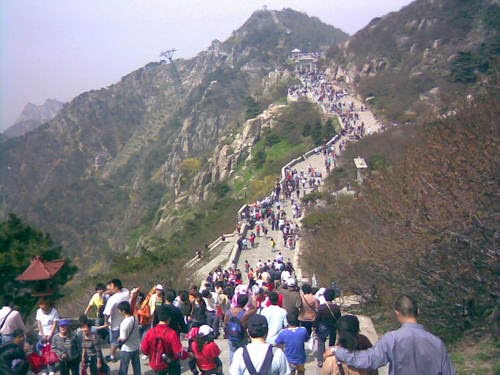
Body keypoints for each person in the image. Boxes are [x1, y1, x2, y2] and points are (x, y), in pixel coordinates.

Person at [332, 295, 456, 375]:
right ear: (418, 312)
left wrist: (338, 351)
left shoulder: (392, 339)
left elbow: (368, 360)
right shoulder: (437, 343)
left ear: (397, 313)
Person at [141, 304, 192, 375]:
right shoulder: (172, 333)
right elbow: (179, 353)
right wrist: (189, 354)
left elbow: (144, 350)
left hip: (157, 363)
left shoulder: (151, 332)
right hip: (171, 363)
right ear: (169, 318)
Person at [100, 278, 129, 362]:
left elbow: (106, 313)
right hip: (124, 321)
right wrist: (108, 292)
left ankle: (112, 356)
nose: (109, 289)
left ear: (116, 287)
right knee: (124, 337)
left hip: (115, 324)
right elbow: (122, 289)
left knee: (114, 341)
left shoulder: (112, 299)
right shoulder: (126, 292)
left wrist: (106, 322)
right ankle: (124, 351)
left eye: (111, 287)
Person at [316, 288, 341, 368]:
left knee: (321, 342)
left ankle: (320, 360)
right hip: (333, 327)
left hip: (323, 326)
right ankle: (330, 358)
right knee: (332, 344)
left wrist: (315, 327)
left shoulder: (321, 307)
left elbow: (317, 319)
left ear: (324, 297)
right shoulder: (336, 307)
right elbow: (339, 318)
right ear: (333, 297)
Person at [117, 301, 141, 375]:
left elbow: (123, 338)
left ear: (123, 311)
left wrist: (118, 340)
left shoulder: (124, 323)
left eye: (119, 310)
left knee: (123, 368)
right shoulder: (135, 318)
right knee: (137, 367)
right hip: (136, 346)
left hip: (127, 349)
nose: (118, 311)